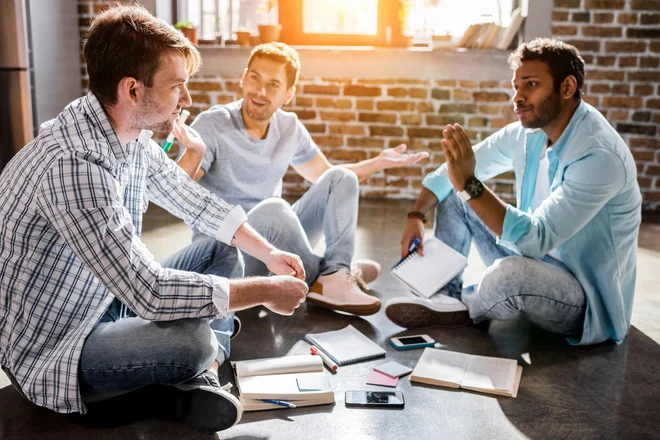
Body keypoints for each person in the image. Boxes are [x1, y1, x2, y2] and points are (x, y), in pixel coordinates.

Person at [0, 5, 310, 433]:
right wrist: (266, 291)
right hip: (60, 346)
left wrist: (270, 253)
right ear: (132, 89)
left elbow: (196, 202)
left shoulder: (124, 133)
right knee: (193, 339)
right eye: (177, 87)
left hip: (104, 295)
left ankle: (204, 375)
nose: (186, 100)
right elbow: (150, 293)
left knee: (224, 247)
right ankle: (197, 368)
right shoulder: (76, 166)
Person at [386, 38, 641, 346]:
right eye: (516, 87)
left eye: (530, 85)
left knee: (509, 276)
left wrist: (470, 184)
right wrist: (416, 213)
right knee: (457, 195)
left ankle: (465, 309)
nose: (518, 98)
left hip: (581, 298)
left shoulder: (599, 154)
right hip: (534, 259)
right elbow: (455, 171)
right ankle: (446, 295)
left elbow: (536, 239)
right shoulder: (528, 135)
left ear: (567, 87)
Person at [176, 42, 429, 316]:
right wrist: (193, 151)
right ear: (243, 78)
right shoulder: (212, 124)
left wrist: (378, 162)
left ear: (288, 95)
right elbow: (178, 188)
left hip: (275, 248)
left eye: (273, 85)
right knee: (274, 209)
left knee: (340, 177)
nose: (260, 91)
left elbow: (328, 178)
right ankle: (332, 275)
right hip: (230, 250)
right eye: (255, 78)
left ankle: (334, 274)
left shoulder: (289, 127)